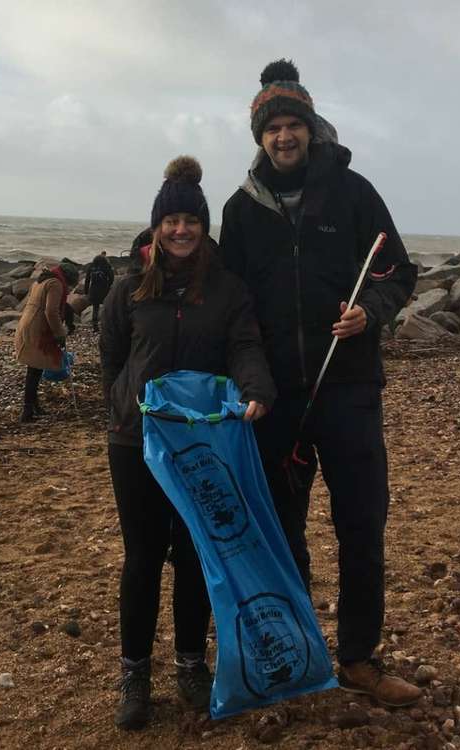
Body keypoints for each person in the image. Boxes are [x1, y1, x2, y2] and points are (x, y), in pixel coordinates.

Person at [218, 59, 422, 707]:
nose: (283, 136)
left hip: (350, 393)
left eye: (292, 125)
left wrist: (372, 314)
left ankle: (359, 657)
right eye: (272, 127)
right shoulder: (239, 210)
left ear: (310, 129)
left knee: (361, 526)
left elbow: (397, 274)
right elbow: (230, 307)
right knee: (283, 533)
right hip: (278, 402)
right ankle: (302, 656)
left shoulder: (354, 193)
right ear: (259, 136)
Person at [100, 155, 276, 730]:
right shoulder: (128, 290)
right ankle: (134, 673)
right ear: (157, 227)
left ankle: (191, 663)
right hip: (137, 443)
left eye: (191, 222)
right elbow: (113, 362)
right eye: (170, 221)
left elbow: (245, 346)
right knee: (142, 558)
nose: (180, 230)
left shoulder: (226, 289)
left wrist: (257, 386)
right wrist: (127, 409)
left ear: (204, 228)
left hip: (202, 443)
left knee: (197, 553)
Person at [14, 262, 79, 422]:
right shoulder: (56, 284)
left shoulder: (43, 279)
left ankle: (34, 406)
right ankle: (27, 412)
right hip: (38, 328)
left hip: (28, 323)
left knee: (35, 369)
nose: (69, 288)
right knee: (34, 371)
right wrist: (60, 333)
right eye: (70, 285)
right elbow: (51, 311)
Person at [84, 250, 115, 331]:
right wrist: (109, 286)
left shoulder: (91, 267)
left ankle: (95, 325)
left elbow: (87, 280)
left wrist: (86, 291)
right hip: (104, 290)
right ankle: (106, 324)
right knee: (106, 307)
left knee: (95, 308)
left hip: (94, 290)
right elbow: (112, 278)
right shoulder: (107, 266)